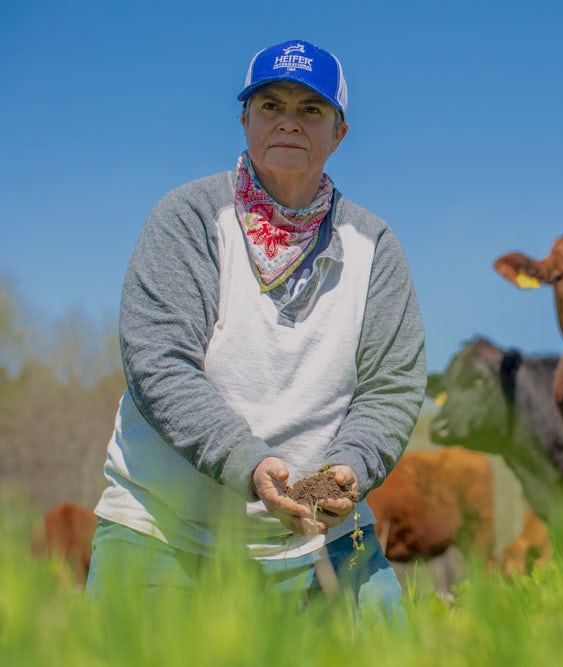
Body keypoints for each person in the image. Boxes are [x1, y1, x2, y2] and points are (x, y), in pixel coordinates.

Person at [85, 39, 426, 621]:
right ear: (244, 119)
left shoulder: (375, 245)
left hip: (321, 537)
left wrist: (351, 466)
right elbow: (159, 360)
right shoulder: (190, 218)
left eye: (311, 110)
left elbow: (390, 385)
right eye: (271, 105)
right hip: (167, 528)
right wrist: (247, 461)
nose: (289, 122)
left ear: (339, 133)